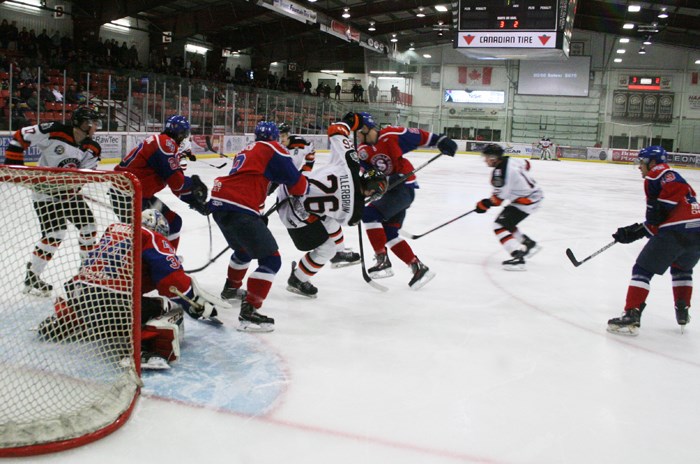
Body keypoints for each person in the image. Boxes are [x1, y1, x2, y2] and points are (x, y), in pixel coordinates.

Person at [36, 210, 225, 369]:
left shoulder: (114, 229)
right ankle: (142, 348)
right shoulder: (152, 236)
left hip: (79, 294)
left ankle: (69, 316)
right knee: (163, 306)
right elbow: (172, 282)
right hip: (111, 306)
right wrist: (194, 304)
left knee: (101, 295)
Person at [209, 121, 309, 333]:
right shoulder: (275, 149)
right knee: (271, 260)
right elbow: (298, 185)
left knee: (243, 250)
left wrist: (257, 211)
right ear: (274, 136)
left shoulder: (247, 150)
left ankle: (231, 289)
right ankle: (249, 313)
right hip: (240, 208)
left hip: (220, 204)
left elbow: (252, 180)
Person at [278, 113, 387, 298]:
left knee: (328, 218)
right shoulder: (355, 214)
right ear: (370, 192)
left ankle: (339, 252)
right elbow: (345, 214)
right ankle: (298, 279)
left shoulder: (349, 164)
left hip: (288, 188)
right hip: (293, 212)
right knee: (326, 245)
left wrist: (352, 122)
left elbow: (335, 130)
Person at [4, 105, 103, 296]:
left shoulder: (93, 148)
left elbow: (85, 176)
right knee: (55, 234)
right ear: (81, 123)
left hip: (69, 195)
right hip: (45, 194)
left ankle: (85, 273)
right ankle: (32, 275)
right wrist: (15, 168)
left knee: (89, 227)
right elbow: (20, 136)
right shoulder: (54, 131)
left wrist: (73, 188)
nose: (95, 127)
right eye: (92, 123)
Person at [607, 146, 700, 336]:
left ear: (652, 162)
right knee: (682, 267)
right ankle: (682, 310)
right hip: (697, 229)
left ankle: (632, 313)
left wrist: (639, 230)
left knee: (642, 269)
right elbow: (669, 212)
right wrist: (640, 230)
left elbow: (658, 216)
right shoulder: (671, 174)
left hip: (677, 230)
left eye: (642, 163)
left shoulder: (655, 175)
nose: (640, 167)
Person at [358, 114, 457, 289]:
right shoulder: (362, 150)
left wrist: (440, 140)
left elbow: (417, 136)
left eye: (359, 131)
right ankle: (418, 268)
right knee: (389, 235)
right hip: (388, 192)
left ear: (367, 128)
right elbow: (365, 174)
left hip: (403, 189)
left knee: (368, 215)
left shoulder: (390, 136)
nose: (357, 135)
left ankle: (382, 260)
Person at [113, 115, 208, 249]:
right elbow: (177, 183)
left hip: (138, 195)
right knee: (144, 236)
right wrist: (193, 184)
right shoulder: (166, 143)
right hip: (127, 196)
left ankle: (168, 261)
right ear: (180, 133)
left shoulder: (163, 141)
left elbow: (176, 186)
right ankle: (142, 267)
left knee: (173, 222)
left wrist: (193, 200)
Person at [276, 122, 361, 269]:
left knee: (330, 219)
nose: (281, 139)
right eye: (279, 137)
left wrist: (305, 171)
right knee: (323, 220)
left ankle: (339, 253)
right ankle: (330, 254)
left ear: (288, 134)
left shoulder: (300, 143)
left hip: (304, 185)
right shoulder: (277, 149)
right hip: (289, 191)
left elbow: (310, 153)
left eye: (283, 136)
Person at [475, 144, 543, 270]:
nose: (485, 160)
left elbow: (497, 200)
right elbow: (527, 164)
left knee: (499, 226)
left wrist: (483, 205)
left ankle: (518, 257)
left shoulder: (500, 174)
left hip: (526, 201)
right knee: (506, 223)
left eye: (486, 157)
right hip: (534, 196)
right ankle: (530, 245)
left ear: (493, 158)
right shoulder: (511, 159)